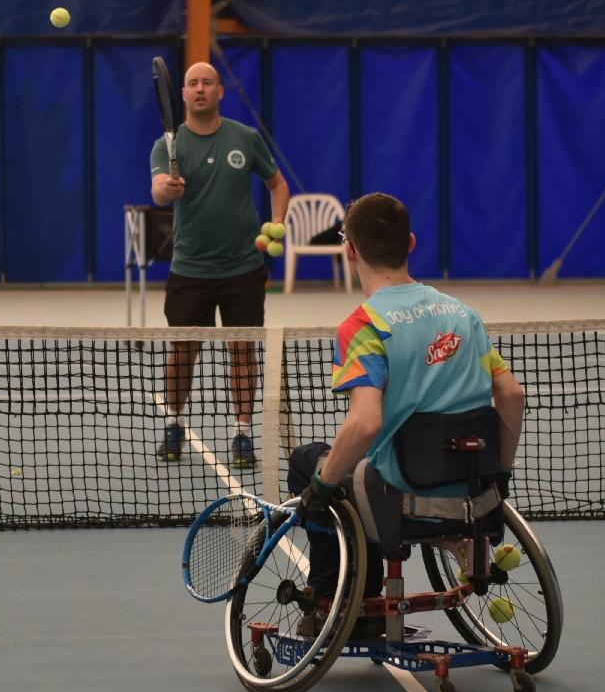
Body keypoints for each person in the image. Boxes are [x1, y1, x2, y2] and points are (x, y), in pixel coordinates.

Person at [292, 192, 525, 637]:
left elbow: (365, 424)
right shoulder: (463, 315)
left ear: (351, 250)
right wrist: (500, 474)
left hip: (400, 494)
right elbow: (511, 396)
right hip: (475, 491)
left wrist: (320, 490)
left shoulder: (363, 326)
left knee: (310, 462)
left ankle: (345, 604)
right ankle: (456, 539)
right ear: (411, 244)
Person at [150, 61, 289, 467]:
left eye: (207, 83)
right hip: (189, 269)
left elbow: (278, 185)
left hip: (243, 267)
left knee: (242, 350)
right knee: (182, 352)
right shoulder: (166, 146)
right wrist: (167, 188)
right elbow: (158, 190)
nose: (199, 89)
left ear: (220, 91)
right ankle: (173, 423)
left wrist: (277, 221)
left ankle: (243, 433)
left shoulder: (244, 138)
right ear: (183, 94)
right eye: (192, 83)